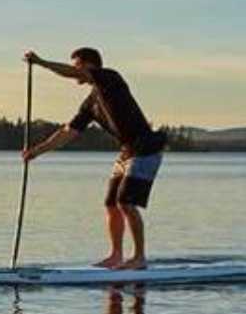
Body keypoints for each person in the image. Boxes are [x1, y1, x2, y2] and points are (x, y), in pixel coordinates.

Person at [21, 47, 168, 270]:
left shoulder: (110, 77)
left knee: (126, 202)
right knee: (111, 204)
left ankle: (139, 258)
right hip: (126, 151)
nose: (73, 71)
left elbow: (74, 74)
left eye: (76, 65)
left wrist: (41, 63)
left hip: (146, 148)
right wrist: (36, 151)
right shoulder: (90, 103)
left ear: (89, 65)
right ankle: (116, 256)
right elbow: (67, 132)